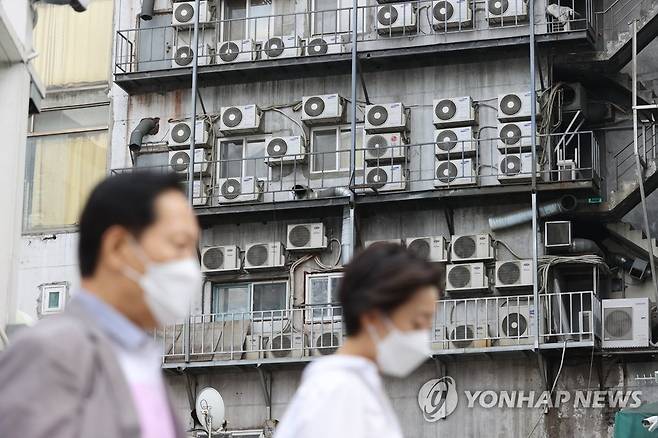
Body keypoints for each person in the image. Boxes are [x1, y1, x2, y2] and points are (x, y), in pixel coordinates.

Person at [0, 173, 202, 438]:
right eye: (179, 245)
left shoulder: (142, 361)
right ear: (117, 247)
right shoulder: (50, 351)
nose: (190, 266)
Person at [274, 242, 443, 438]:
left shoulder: (351, 386)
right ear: (371, 316)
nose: (423, 336)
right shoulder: (339, 391)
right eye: (416, 323)